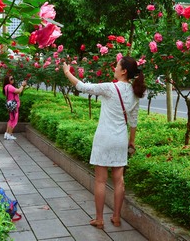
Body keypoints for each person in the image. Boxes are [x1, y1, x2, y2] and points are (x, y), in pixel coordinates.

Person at [62, 56, 146, 230]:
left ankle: (99, 219)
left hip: (104, 138)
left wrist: (67, 72)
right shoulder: (134, 92)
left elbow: (82, 86)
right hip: (120, 140)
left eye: (116, 66)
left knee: (100, 181)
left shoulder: (110, 88)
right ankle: (116, 217)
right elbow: (133, 121)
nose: (114, 68)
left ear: (123, 71)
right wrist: (131, 141)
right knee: (119, 181)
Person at [3, 75, 27, 140]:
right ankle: (9, 135)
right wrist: (22, 85)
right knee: (14, 121)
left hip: (11, 105)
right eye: (11, 79)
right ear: (7, 80)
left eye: (13, 78)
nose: (13, 80)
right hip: (14, 106)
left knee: (11, 119)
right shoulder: (10, 87)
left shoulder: (6, 86)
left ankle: (7, 134)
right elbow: (19, 91)